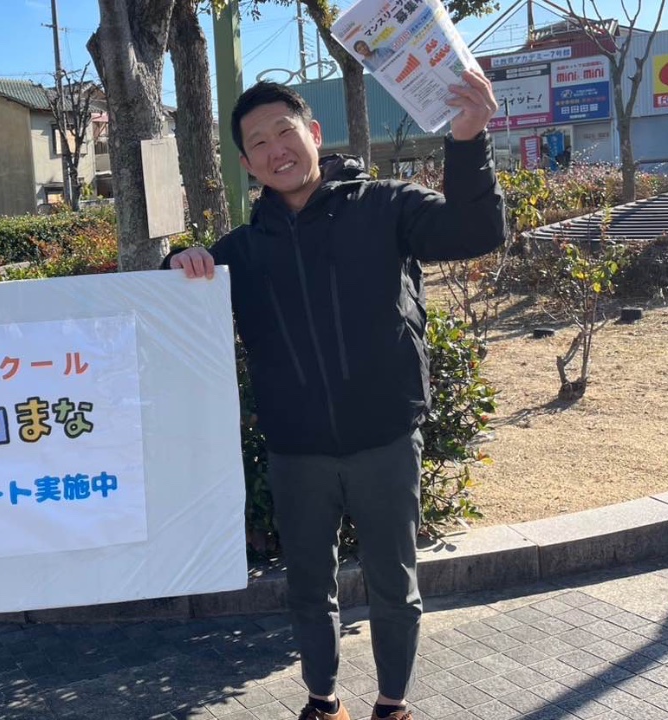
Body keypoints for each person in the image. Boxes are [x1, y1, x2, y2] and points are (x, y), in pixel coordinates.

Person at [167, 73, 504, 720]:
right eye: (258, 142)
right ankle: (323, 704)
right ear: (247, 165)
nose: (276, 149)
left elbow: (474, 230)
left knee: (393, 585)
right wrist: (179, 261)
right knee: (307, 589)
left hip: (385, 437)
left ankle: (392, 706)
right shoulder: (242, 252)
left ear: (314, 133)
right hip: (297, 450)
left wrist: (468, 141)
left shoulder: (385, 206)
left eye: (285, 130)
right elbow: (172, 307)